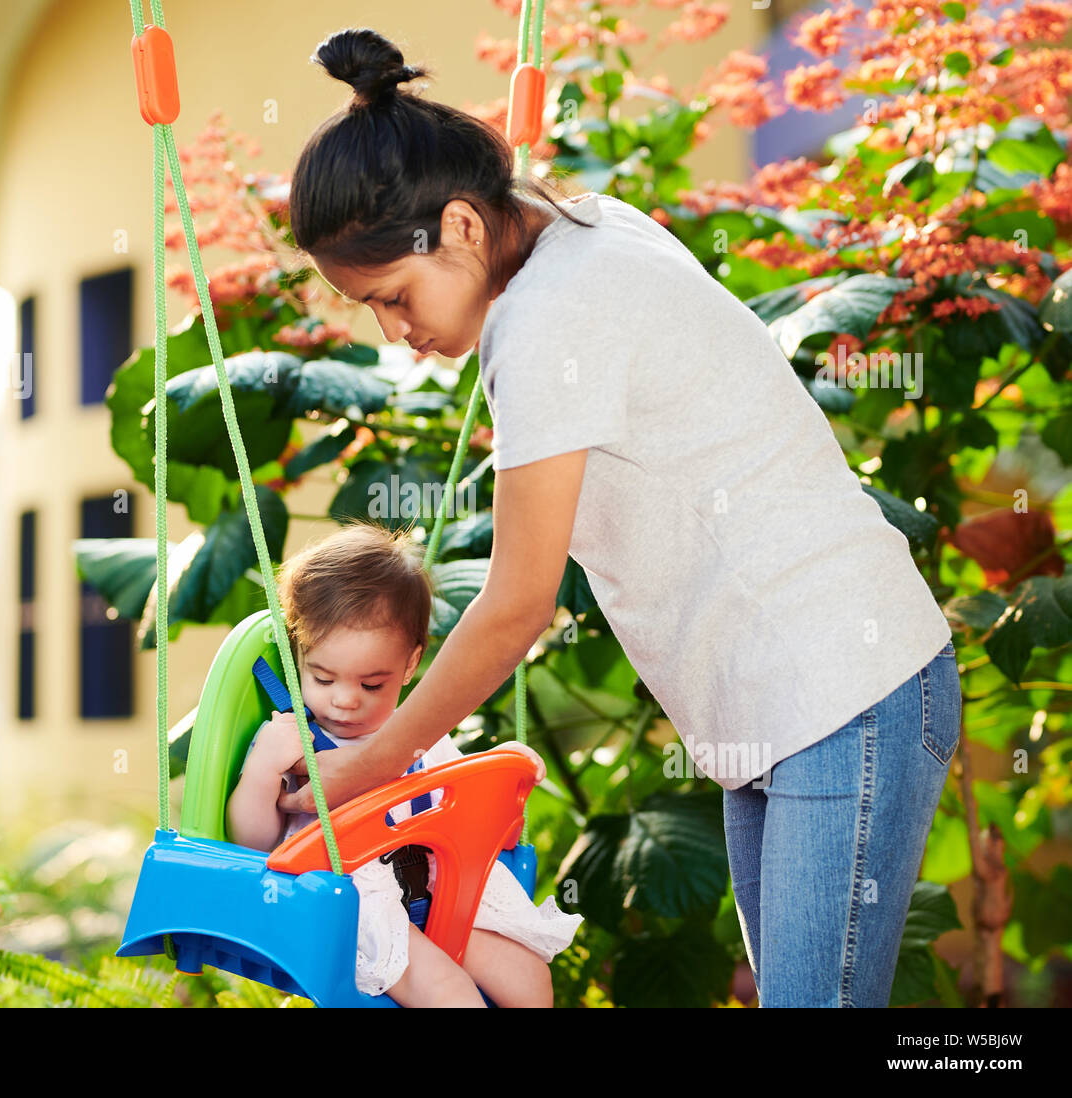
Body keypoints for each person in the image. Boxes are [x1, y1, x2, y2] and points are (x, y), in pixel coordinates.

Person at [276, 27, 962, 1008]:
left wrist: (372, 765)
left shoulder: (550, 317)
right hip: (776, 703)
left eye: (391, 296)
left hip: (841, 686)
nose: (395, 332)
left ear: (463, 229)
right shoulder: (578, 224)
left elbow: (515, 604)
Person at [226, 520, 584, 1007]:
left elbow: (460, 797)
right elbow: (255, 842)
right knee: (451, 994)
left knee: (529, 981)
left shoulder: (418, 732)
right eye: (323, 678)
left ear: (411, 663)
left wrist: (502, 773)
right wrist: (262, 772)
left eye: (371, 684)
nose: (346, 701)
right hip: (356, 906)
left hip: (440, 889)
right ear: (298, 654)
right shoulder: (291, 739)